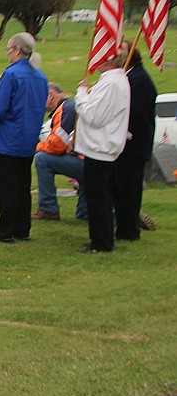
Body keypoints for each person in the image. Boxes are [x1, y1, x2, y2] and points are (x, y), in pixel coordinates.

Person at [0, 32, 48, 243]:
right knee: (23, 184)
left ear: (18, 50)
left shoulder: (12, 75)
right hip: (29, 137)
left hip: (9, 137)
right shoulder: (40, 76)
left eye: (9, 49)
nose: (8, 53)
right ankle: (22, 228)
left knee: (7, 186)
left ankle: (5, 230)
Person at [74, 49, 130, 253]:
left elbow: (94, 116)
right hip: (102, 147)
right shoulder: (114, 81)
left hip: (100, 148)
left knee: (97, 197)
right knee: (101, 196)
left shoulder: (112, 83)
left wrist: (82, 94)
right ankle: (102, 238)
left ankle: (101, 241)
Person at [115, 44, 157, 241]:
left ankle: (128, 231)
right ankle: (126, 227)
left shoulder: (138, 79)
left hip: (134, 145)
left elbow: (130, 109)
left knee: (129, 190)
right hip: (128, 144)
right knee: (122, 188)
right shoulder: (130, 76)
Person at [32, 82, 87, 221]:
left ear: (50, 95)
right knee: (84, 215)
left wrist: (36, 147)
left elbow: (57, 145)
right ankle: (123, 215)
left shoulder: (65, 109)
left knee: (42, 159)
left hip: (86, 162)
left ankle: (48, 209)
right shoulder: (68, 107)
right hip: (91, 158)